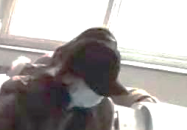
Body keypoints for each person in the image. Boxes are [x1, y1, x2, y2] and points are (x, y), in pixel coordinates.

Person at [9, 27, 156, 107]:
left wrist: (142, 99)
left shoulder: (100, 85)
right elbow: (20, 71)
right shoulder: (47, 68)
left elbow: (119, 92)